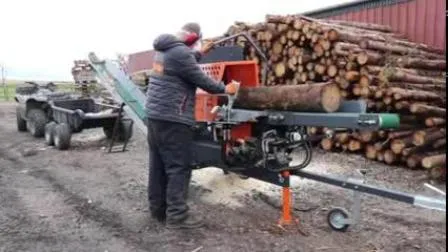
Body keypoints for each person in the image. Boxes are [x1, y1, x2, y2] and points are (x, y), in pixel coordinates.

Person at [145, 22, 238, 229]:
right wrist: (227, 88)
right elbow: (203, 81)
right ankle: (178, 217)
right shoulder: (181, 53)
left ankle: (158, 210)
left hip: (155, 117)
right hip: (173, 118)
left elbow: (181, 66)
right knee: (179, 167)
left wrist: (198, 54)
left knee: (158, 165)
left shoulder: (165, 50)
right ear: (193, 39)